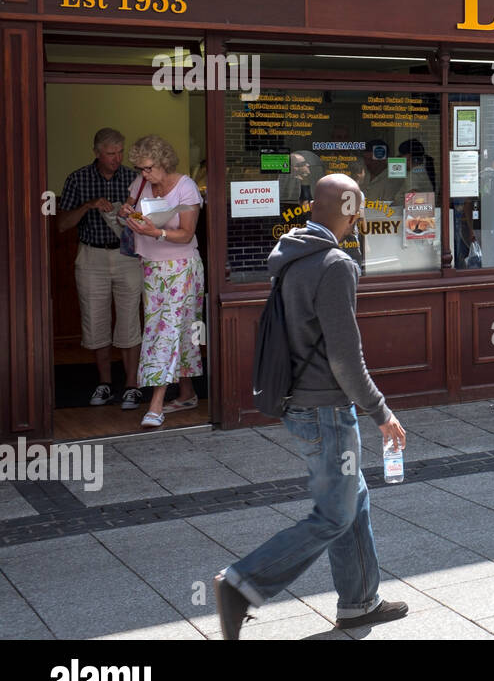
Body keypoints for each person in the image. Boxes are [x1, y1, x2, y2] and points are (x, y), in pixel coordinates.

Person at [213, 174, 409, 639]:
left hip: (300, 403)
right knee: (334, 515)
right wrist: (381, 412)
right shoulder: (335, 264)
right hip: (326, 409)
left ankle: (360, 602)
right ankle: (242, 583)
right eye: (359, 210)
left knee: (353, 499)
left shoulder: (293, 256)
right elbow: (345, 356)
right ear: (351, 213)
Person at [56, 128, 145, 410]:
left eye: (120, 152)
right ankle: (104, 383)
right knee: (96, 321)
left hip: (127, 255)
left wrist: (130, 216)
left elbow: (149, 221)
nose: (117, 158)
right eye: (110, 153)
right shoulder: (78, 178)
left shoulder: (134, 179)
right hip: (91, 256)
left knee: (130, 320)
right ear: (96, 152)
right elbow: (62, 224)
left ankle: (131, 385)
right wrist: (88, 206)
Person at [122, 135, 205, 428]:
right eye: (140, 168)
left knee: (165, 331)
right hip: (151, 268)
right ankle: (187, 393)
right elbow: (129, 209)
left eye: (148, 168)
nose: (144, 174)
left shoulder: (185, 187)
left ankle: (156, 404)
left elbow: (187, 233)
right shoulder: (140, 183)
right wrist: (127, 213)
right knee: (174, 329)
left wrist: (155, 233)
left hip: (181, 267)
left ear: (163, 162)